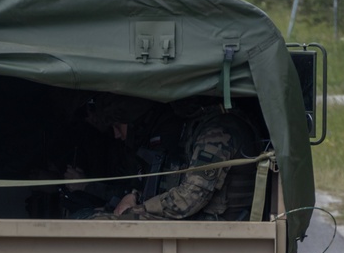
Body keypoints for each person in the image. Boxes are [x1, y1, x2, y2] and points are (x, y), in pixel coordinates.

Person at [72, 93, 262, 221]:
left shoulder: (219, 131)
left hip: (216, 228)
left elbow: (190, 197)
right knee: (87, 216)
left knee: (99, 221)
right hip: (202, 222)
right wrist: (135, 196)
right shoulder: (205, 126)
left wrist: (139, 210)